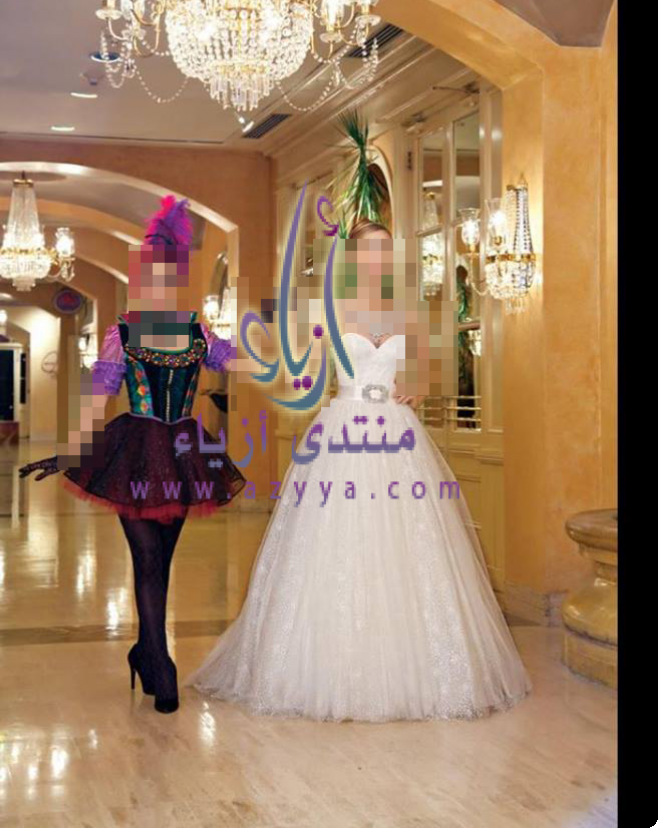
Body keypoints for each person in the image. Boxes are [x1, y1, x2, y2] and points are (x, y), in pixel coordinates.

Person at [186, 219, 531, 722]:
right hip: (344, 431)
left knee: (406, 547)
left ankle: (415, 669)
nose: (378, 261)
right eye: (370, 252)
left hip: (397, 434)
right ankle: (327, 668)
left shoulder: (407, 310)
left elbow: (430, 369)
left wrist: (418, 388)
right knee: (339, 543)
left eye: (385, 252)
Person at [20, 196, 245, 713]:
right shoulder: (120, 333)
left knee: (162, 558)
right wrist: (71, 450)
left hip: (185, 455)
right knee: (145, 557)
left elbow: (243, 363)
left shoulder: (198, 332)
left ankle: (143, 650)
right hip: (134, 453)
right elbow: (98, 396)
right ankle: (160, 662)